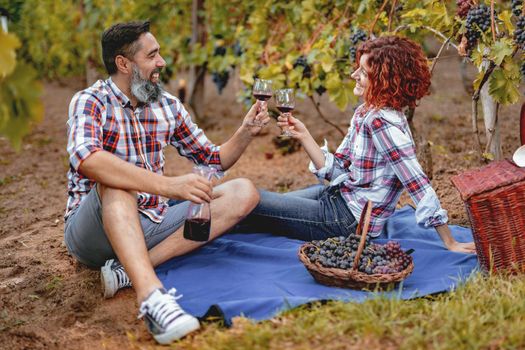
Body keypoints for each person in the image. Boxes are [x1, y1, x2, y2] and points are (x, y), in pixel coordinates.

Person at [64, 21, 270, 344]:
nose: (162, 62)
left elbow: (212, 159)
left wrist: (245, 131)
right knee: (115, 180)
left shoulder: (167, 106)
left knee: (243, 192)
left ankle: (124, 271)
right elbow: (87, 160)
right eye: (153, 55)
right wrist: (170, 186)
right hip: (94, 232)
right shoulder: (90, 101)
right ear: (124, 64)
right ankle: (152, 298)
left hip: (152, 223)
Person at [237, 36, 476, 254]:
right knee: (254, 207)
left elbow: (417, 183)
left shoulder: (382, 123)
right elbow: (339, 168)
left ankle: (203, 217)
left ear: (384, 81)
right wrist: (304, 136)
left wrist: (450, 241)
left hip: (346, 221)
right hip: (337, 197)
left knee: (251, 200)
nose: (354, 75)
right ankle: (205, 216)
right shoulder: (365, 112)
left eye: (362, 72)